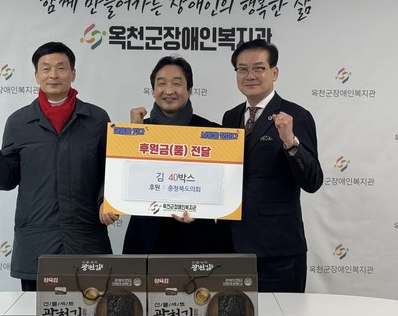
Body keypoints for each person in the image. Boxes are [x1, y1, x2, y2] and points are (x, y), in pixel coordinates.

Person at [0, 41, 113, 292]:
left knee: (93, 314)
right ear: (36, 75)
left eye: (61, 67)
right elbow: (6, 181)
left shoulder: (97, 119)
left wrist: (107, 201)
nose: (53, 75)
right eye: (46, 68)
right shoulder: (19, 122)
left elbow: (110, 170)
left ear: (73, 73)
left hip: (86, 239)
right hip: (37, 243)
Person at [222, 38, 323, 294]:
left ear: (274, 72)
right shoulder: (231, 117)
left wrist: (290, 142)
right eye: (242, 69)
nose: (250, 75)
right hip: (231, 244)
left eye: (259, 68)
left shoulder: (295, 116)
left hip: (278, 249)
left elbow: (313, 181)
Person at [122, 56, 233, 255]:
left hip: (198, 237)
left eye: (176, 83)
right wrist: (135, 136)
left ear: (189, 90)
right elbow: (124, 183)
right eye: (161, 83)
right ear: (153, 90)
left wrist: (202, 209)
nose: (168, 90)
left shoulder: (213, 133)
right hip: (144, 237)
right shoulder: (137, 129)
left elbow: (225, 189)